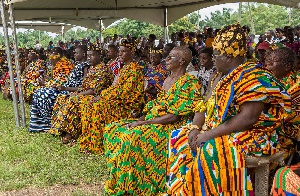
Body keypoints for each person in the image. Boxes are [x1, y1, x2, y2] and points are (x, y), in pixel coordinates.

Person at [166, 23, 291, 196]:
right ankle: (186, 190)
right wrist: (195, 128)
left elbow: (248, 118)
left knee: (212, 148)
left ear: (229, 58)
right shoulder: (220, 77)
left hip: (256, 135)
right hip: (224, 129)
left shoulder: (253, 76)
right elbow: (204, 106)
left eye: (216, 55)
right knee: (179, 137)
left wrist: (208, 134)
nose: (213, 59)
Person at [103, 46, 204, 195]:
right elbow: (155, 106)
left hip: (171, 126)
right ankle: (122, 177)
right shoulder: (168, 79)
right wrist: (139, 119)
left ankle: (137, 183)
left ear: (182, 61)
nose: (166, 59)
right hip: (154, 120)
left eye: (170, 57)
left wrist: (143, 123)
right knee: (113, 128)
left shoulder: (189, 82)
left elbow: (174, 115)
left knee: (132, 136)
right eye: (167, 57)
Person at [78, 39, 145, 154]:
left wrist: (103, 97)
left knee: (97, 107)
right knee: (87, 105)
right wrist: (104, 95)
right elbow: (115, 89)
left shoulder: (135, 69)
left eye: (124, 51)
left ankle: (97, 145)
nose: (120, 54)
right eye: (120, 51)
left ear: (131, 53)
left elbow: (124, 93)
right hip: (117, 100)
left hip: (126, 105)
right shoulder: (124, 69)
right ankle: (88, 142)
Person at [49, 45, 114, 143]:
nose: (89, 58)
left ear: (99, 56)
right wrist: (67, 89)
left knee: (73, 100)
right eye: (88, 55)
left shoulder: (103, 70)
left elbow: (94, 90)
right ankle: (59, 128)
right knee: (62, 97)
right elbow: (83, 87)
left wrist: (78, 95)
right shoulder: (92, 69)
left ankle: (70, 133)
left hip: (96, 96)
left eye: (92, 55)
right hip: (86, 93)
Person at [28, 46, 88, 132]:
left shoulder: (86, 67)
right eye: (74, 52)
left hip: (70, 90)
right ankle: (38, 125)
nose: (74, 54)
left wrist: (65, 87)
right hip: (64, 87)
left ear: (83, 54)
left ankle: (49, 123)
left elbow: (83, 87)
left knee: (45, 94)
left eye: (76, 53)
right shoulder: (77, 64)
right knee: (38, 91)